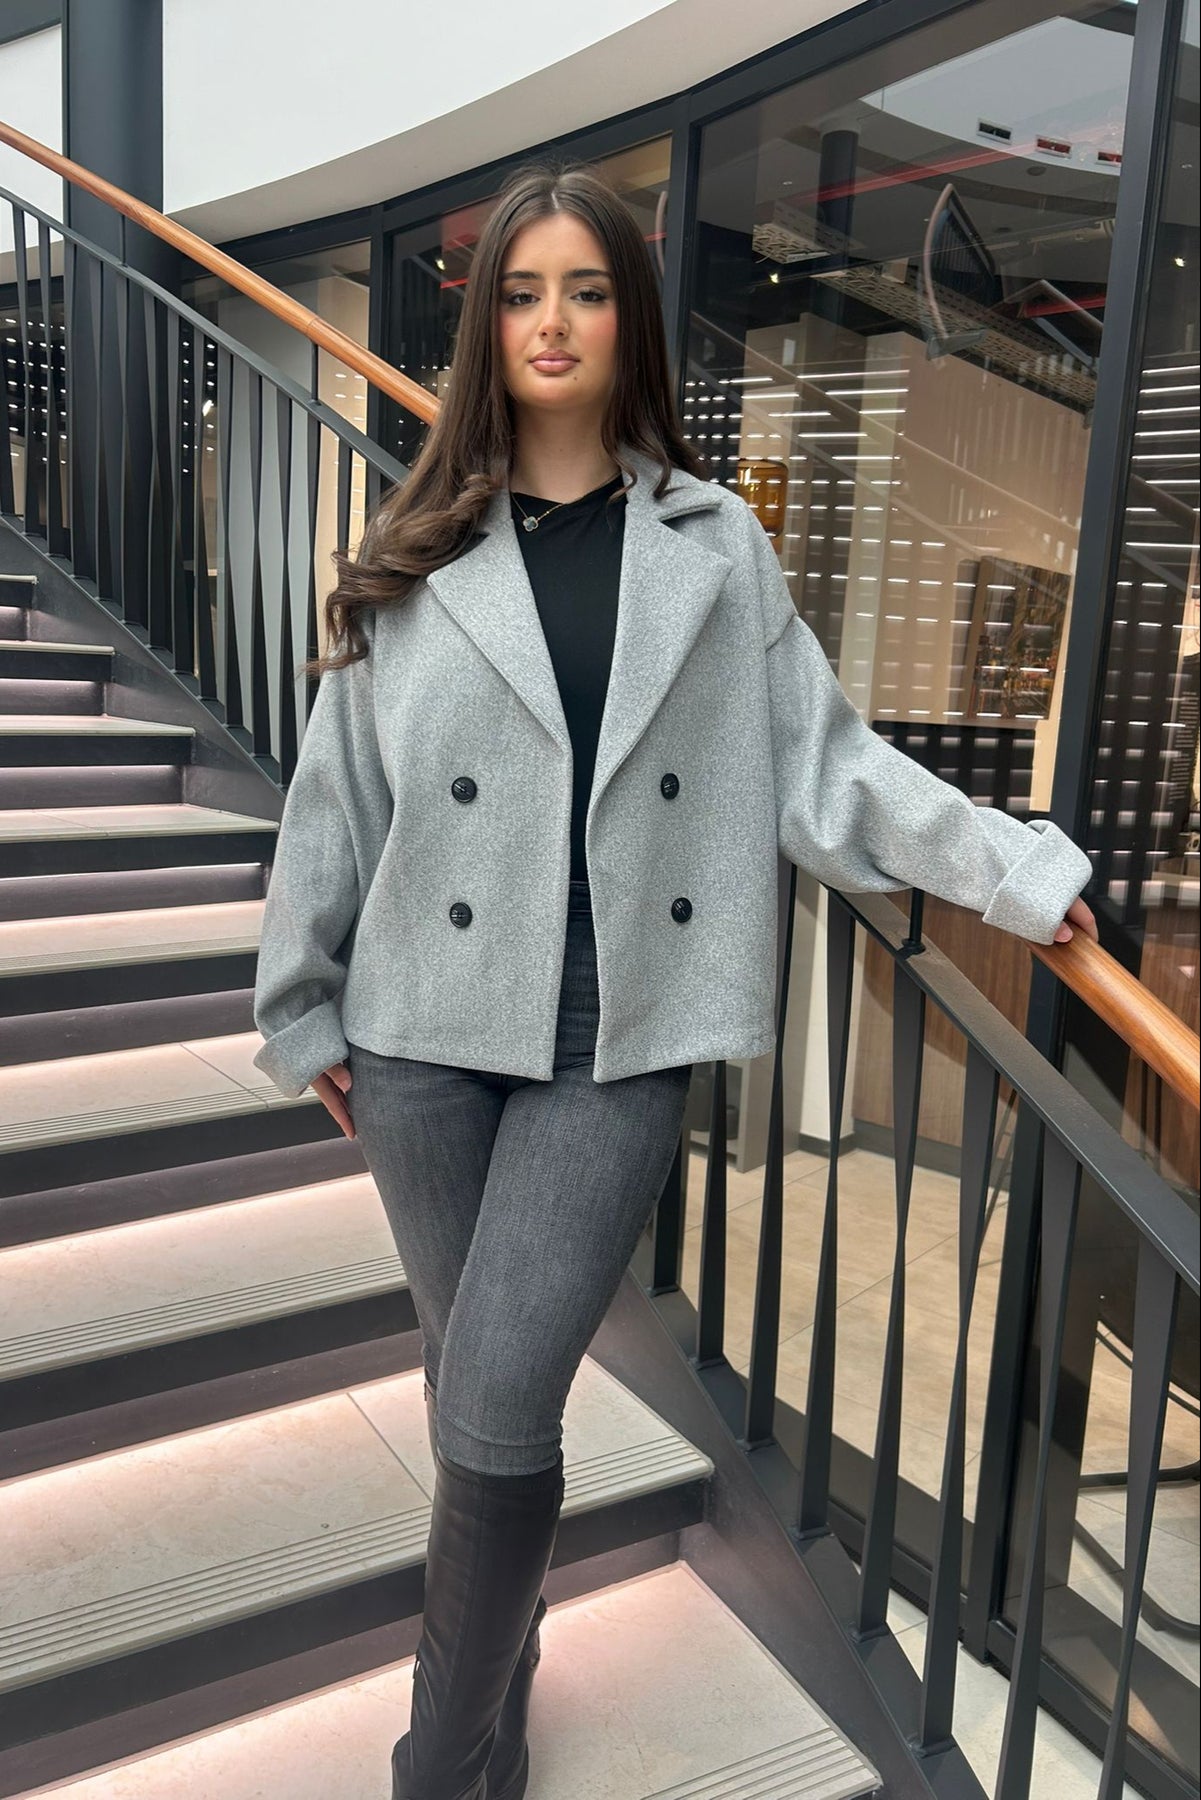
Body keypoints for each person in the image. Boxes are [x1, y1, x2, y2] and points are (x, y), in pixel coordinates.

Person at [251, 159, 1097, 1800]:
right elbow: (336, 791)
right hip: (420, 1035)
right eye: (518, 292)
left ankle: (440, 1767)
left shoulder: (714, 550)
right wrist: (302, 1002)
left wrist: (1010, 867)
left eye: (583, 289)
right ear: (485, 326)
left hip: (618, 1036)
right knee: (470, 1390)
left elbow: (826, 767)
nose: (549, 320)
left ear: (628, 320)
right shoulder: (417, 542)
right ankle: (498, 1696)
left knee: (499, 1403)